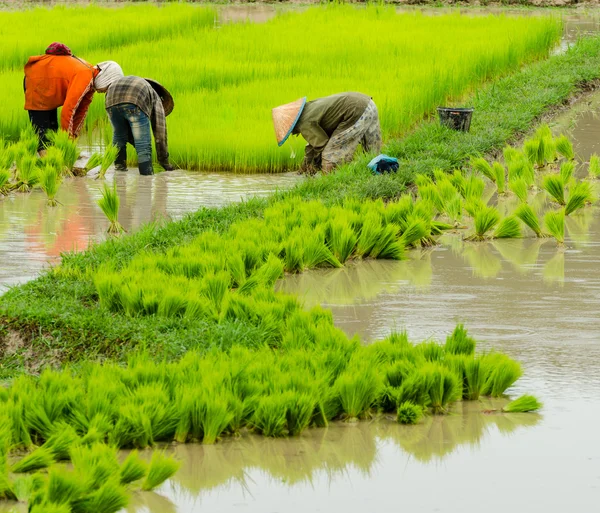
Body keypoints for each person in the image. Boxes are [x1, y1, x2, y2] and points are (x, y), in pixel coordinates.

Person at [93, 61, 174, 176]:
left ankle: (119, 172)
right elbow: (160, 133)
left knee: (119, 136)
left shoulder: (137, 82)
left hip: (110, 99)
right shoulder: (154, 95)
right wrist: (165, 163)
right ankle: (146, 177)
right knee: (143, 144)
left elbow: (128, 134)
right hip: (134, 100)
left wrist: (135, 141)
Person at [272, 92, 382, 174]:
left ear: (291, 126)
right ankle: (382, 174)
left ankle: (330, 184)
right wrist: (304, 168)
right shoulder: (308, 108)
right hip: (369, 104)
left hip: (355, 111)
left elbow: (321, 144)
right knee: (372, 153)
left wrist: (316, 165)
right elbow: (312, 146)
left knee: (329, 156)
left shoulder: (304, 123)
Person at [24, 42, 98, 151]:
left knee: (51, 130)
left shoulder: (80, 69)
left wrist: (71, 137)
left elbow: (79, 109)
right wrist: (67, 140)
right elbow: (69, 109)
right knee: (43, 132)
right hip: (37, 87)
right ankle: (49, 160)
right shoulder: (84, 69)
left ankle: (55, 157)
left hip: (46, 87)